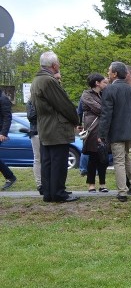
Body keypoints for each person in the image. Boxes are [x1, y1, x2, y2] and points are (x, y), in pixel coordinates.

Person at [31, 51, 81, 203]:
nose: (59, 66)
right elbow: (63, 104)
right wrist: (76, 119)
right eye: (58, 63)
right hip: (56, 128)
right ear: (54, 65)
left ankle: (49, 193)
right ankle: (59, 193)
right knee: (59, 163)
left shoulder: (36, 80)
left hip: (44, 128)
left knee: (48, 163)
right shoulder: (49, 81)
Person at [99, 62, 131, 203]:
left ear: (115, 74)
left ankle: (122, 191)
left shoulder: (109, 90)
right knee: (125, 157)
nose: (107, 73)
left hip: (116, 131)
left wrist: (102, 134)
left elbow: (106, 115)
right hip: (130, 131)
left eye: (109, 71)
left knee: (118, 160)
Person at [79, 73, 110, 192]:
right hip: (93, 129)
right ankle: (91, 183)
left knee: (103, 156)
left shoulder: (104, 94)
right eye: (104, 82)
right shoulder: (86, 94)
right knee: (93, 156)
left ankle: (103, 183)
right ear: (97, 83)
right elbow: (101, 109)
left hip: (104, 128)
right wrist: (106, 109)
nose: (106, 85)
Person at [0, 90, 16, 190]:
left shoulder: (3, 98)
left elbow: (7, 117)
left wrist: (3, 133)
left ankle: (10, 177)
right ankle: (10, 177)